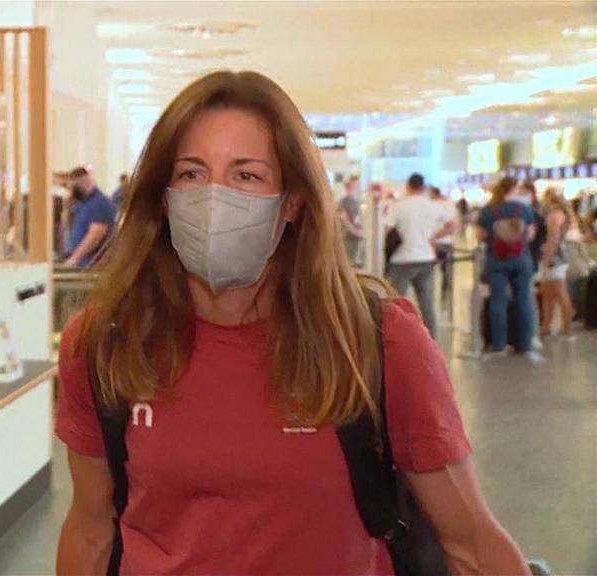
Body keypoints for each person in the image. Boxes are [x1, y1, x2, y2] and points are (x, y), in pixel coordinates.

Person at [55, 71, 527, 575]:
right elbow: (90, 528)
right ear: (164, 196)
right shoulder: (106, 342)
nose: (214, 199)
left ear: (293, 201)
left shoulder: (375, 341)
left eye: (246, 176)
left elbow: (472, 543)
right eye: (192, 174)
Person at [384, 173, 457, 338]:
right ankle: (431, 340)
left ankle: (393, 337)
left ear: (408, 186)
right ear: (423, 187)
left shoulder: (399, 206)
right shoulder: (433, 205)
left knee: (395, 303)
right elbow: (453, 223)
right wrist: (435, 236)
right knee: (427, 303)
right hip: (426, 258)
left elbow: (387, 227)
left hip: (402, 259)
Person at [476, 176, 539, 361]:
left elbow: (480, 236)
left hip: (496, 259)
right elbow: (530, 235)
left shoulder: (488, 210)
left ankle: (499, 345)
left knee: (497, 300)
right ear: (513, 189)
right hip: (521, 259)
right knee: (523, 300)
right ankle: (524, 344)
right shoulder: (524, 209)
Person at [538, 186, 576, 339]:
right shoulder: (563, 213)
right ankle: (546, 326)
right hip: (558, 256)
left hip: (555, 257)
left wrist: (547, 257)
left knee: (560, 292)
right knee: (548, 293)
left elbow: (553, 238)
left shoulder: (555, 215)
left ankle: (567, 328)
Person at [63, 166, 116, 268]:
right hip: (80, 263)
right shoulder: (82, 202)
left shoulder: (99, 203)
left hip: (92, 265)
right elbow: (68, 226)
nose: (71, 191)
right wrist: (67, 208)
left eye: (73, 188)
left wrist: (74, 259)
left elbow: (95, 236)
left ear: (84, 182)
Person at [430, 185, 460, 309]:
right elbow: (455, 223)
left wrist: (435, 236)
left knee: (438, 271)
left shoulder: (436, 205)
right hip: (444, 242)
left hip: (436, 243)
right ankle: (445, 294)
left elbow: (453, 224)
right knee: (445, 271)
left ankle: (442, 295)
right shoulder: (448, 203)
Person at [337, 176, 363, 266]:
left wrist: (361, 231)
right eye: (354, 186)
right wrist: (356, 232)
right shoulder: (342, 203)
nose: (356, 189)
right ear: (347, 187)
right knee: (347, 263)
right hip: (347, 239)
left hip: (357, 239)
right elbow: (344, 221)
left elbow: (358, 220)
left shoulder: (357, 203)